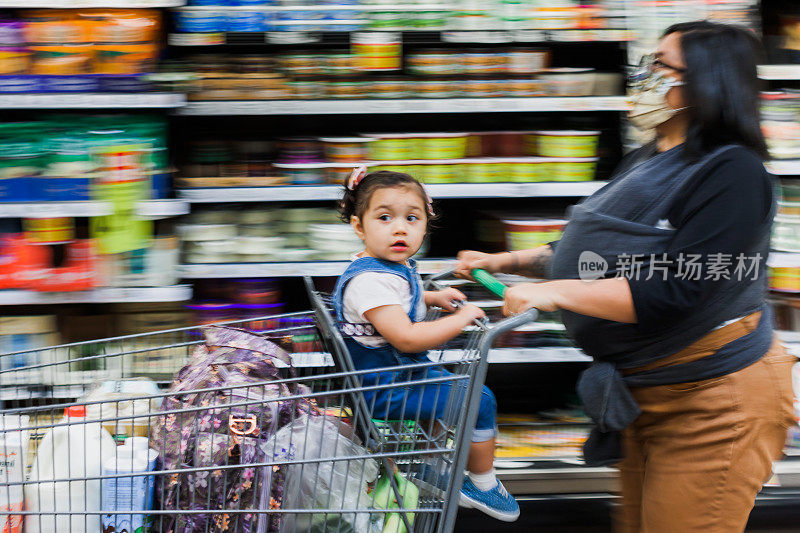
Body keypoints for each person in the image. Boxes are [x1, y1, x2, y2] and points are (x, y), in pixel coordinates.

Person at [457, 21, 796, 533]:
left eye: (659, 65)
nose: (644, 75)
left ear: (705, 81)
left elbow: (674, 289)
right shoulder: (651, 157)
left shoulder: (733, 173)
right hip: (652, 392)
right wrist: (508, 261)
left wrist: (553, 292)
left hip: (713, 399)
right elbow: (598, 252)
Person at [331, 167, 520, 522]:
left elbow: (395, 303)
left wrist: (432, 297)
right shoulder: (370, 280)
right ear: (359, 226)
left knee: (445, 391)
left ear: (425, 224)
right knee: (480, 400)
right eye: (384, 217)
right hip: (385, 387)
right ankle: (483, 483)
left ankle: (431, 468)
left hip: (395, 375)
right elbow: (405, 336)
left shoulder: (386, 268)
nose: (400, 227)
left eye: (412, 218)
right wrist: (461, 318)